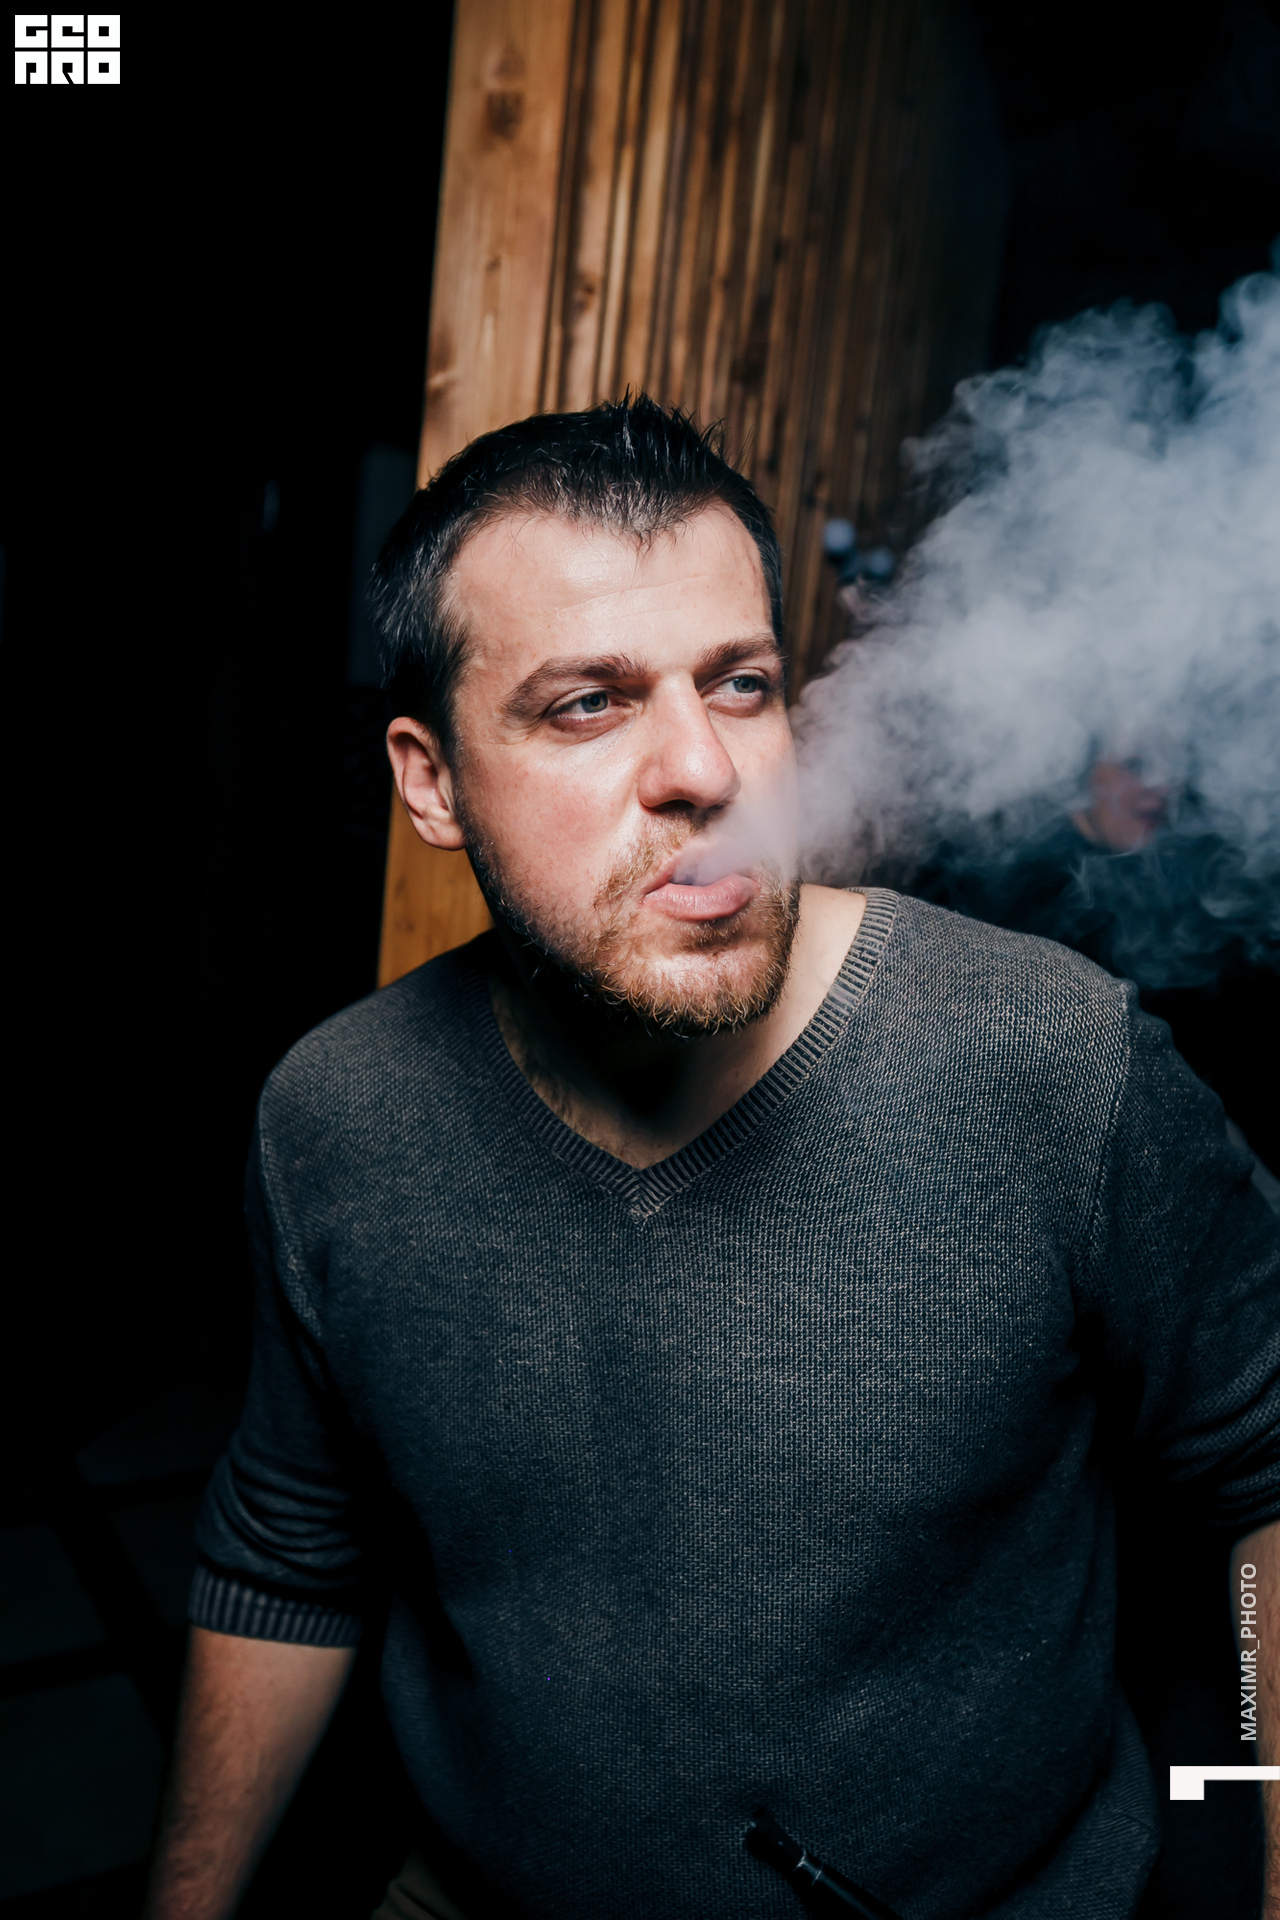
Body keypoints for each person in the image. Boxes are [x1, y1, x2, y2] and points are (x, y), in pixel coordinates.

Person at [145, 398, 1280, 1920]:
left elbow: (1266, 1477)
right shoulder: (334, 1117)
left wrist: (1263, 1835)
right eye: (586, 704)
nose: (703, 766)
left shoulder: (1053, 1061)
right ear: (430, 782)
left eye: (740, 684)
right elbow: (289, 1549)